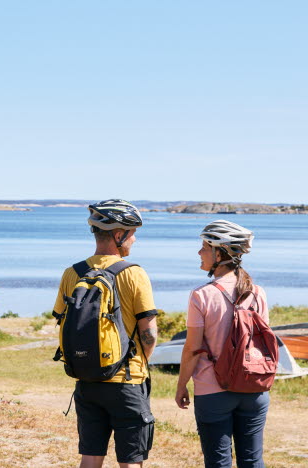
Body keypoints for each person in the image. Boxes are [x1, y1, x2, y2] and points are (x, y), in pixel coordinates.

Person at [53, 199, 160, 468]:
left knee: (90, 458)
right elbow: (149, 332)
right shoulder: (134, 273)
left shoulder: (72, 273)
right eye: (132, 233)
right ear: (118, 234)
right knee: (130, 461)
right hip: (127, 379)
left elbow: (62, 321)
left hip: (87, 378)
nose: (134, 240)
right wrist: (137, 363)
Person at [175, 220, 269, 468]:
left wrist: (182, 384)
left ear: (220, 253)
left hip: (213, 390)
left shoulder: (202, 295)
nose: (199, 252)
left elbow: (192, 348)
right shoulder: (258, 292)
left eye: (204, 247)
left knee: (218, 462)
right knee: (252, 460)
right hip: (253, 387)